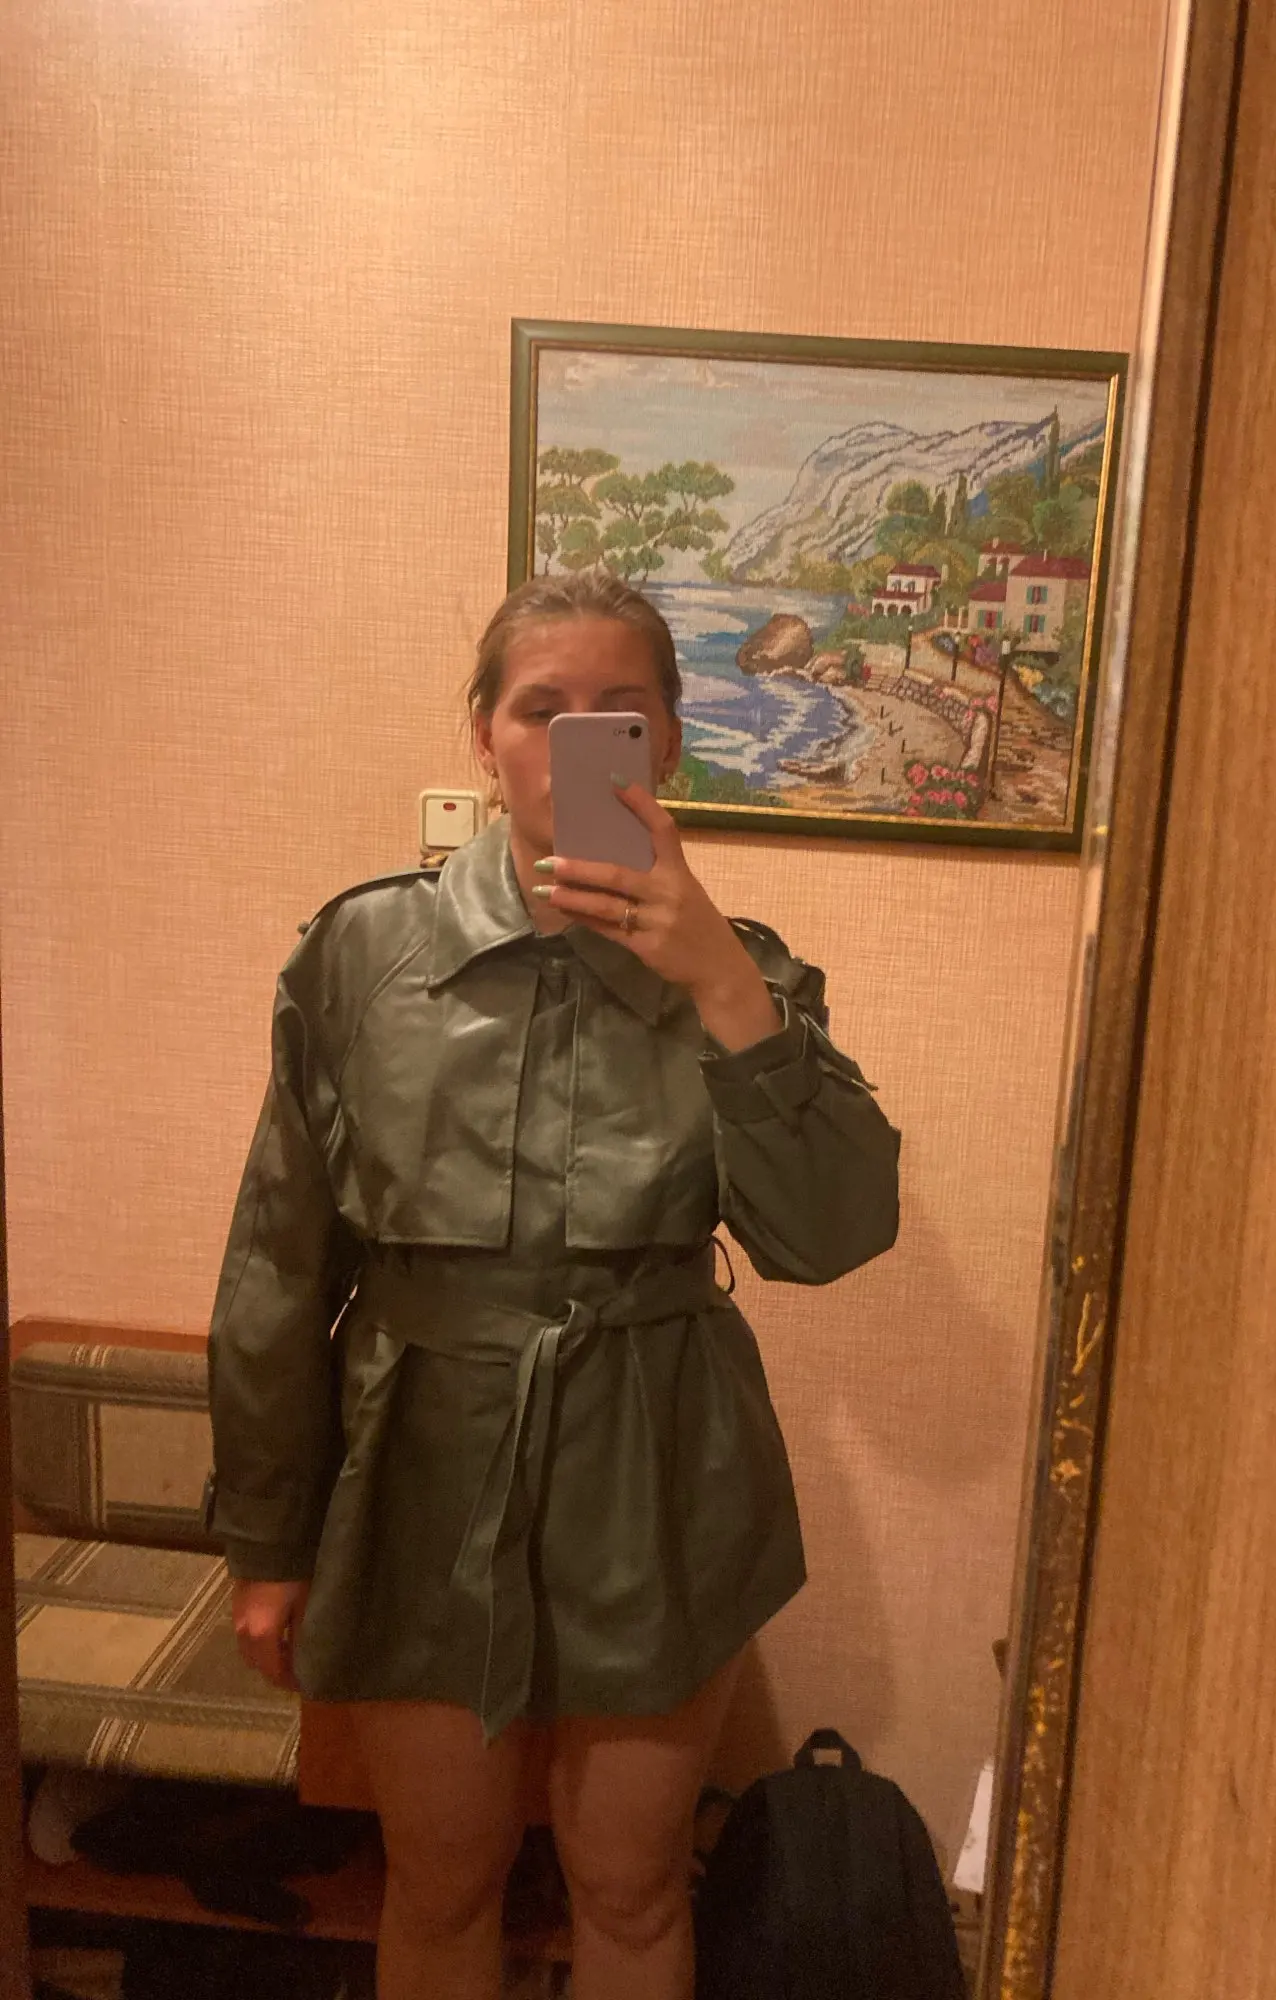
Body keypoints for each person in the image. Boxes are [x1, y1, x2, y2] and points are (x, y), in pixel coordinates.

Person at [206, 570, 901, 2000]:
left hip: (659, 1457)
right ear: (483, 734)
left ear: (670, 741)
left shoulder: (747, 973)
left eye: (619, 712)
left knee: (632, 1888)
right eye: (541, 709)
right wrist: (269, 1536)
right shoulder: (361, 954)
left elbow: (832, 1234)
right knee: (441, 1879)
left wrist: (723, 985)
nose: (575, 740)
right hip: (422, 1455)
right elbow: (280, 1256)